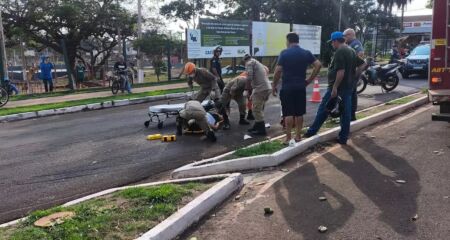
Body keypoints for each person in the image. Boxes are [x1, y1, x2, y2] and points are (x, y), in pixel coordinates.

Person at [304, 32, 366, 145]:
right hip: (347, 87)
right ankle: (343, 137)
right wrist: (354, 76)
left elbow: (340, 72)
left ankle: (312, 131)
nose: (332, 44)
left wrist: (335, 88)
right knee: (345, 112)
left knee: (324, 108)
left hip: (337, 88)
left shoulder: (340, 52)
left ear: (336, 41)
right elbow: (363, 64)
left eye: (332, 42)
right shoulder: (350, 50)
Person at [273, 32, 322, 144]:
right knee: (299, 113)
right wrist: (309, 80)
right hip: (301, 87)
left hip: (287, 87)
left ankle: (288, 138)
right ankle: (298, 136)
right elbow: (318, 65)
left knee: (288, 113)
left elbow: (278, 71)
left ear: (288, 41)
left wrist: (274, 86)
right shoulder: (306, 53)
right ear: (297, 40)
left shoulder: (284, 53)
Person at [243, 54, 272, 135]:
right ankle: (257, 126)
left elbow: (249, 77)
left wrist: (246, 89)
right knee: (258, 108)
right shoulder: (257, 62)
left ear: (245, 60)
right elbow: (267, 69)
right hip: (266, 87)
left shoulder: (249, 63)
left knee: (256, 109)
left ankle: (261, 130)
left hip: (260, 89)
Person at [343, 28, 364, 121]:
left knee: (351, 94)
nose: (344, 37)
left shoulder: (355, 43)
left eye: (345, 35)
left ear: (351, 35)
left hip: (353, 73)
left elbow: (360, 53)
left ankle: (351, 115)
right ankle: (348, 114)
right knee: (351, 93)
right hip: (349, 73)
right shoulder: (348, 44)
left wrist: (353, 67)